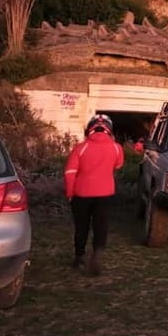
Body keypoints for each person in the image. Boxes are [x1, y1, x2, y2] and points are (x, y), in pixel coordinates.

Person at [64, 114, 124, 275]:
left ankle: (79, 256)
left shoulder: (80, 147)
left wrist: (70, 193)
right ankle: (97, 253)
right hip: (105, 193)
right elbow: (118, 165)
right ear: (109, 129)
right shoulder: (116, 147)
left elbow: (70, 173)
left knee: (81, 226)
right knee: (101, 226)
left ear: (89, 129)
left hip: (81, 194)